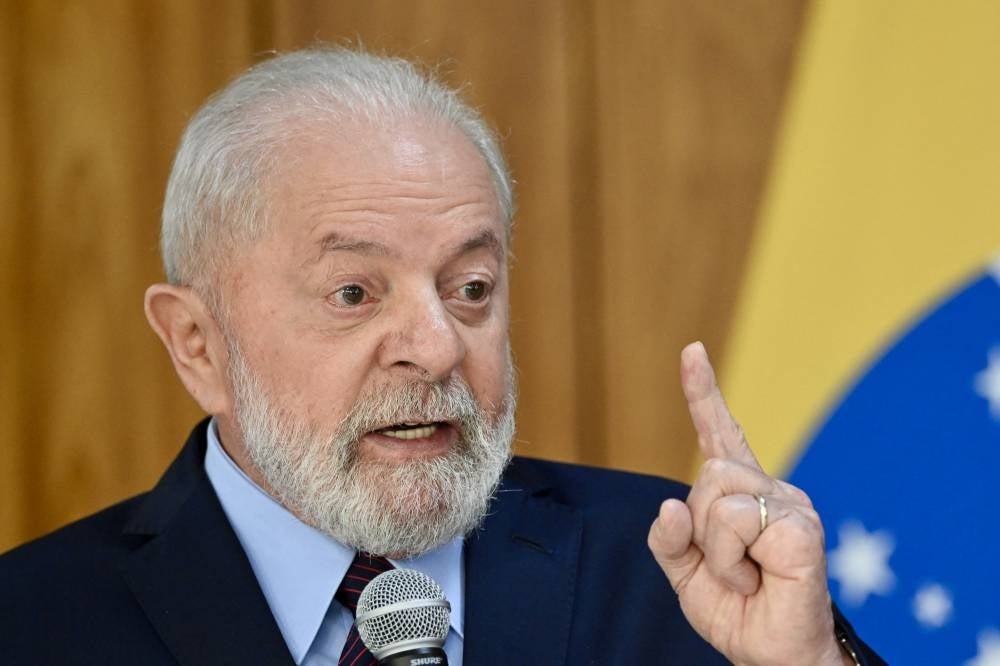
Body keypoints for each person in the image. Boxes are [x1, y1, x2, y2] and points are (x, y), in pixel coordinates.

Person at [0, 48, 883, 665]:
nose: (434, 347)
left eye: (470, 289)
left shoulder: (670, 575)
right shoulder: (32, 623)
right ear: (197, 344)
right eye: (354, 293)